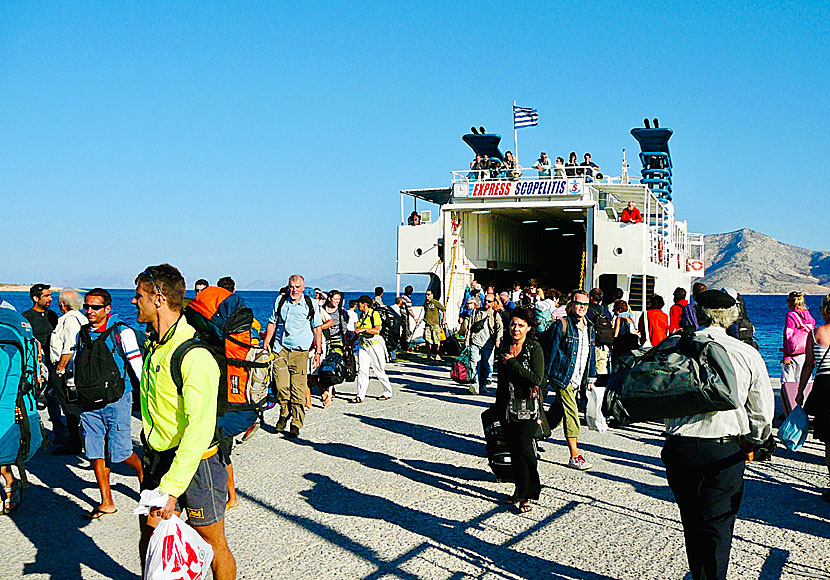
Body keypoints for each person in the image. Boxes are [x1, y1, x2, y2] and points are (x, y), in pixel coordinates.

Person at [662, 290, 774, 580]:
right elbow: (762, 413)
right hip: (724, 449)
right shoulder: (746, 353)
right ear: (731, 317)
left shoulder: (678, 347)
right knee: (718, 526)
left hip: (680, 446)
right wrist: (755, 440)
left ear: (699, 314)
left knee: (691, 520)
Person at [133, 264, 236, 579]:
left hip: (199, 464)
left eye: (139, 296)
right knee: (151, 538)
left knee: (212, 542)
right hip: (159, 458)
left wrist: (173, 489)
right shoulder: (156, 346)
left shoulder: (194, 356)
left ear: (159, 298)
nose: (134, 302)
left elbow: (199, 429)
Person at [75, 288, 144, 519]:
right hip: (88, 402)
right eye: (86, 306)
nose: (89, 311)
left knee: (121, 452)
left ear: (107, 309)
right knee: (95, 451)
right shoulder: (82, 333)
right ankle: (106, 502)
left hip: (117, 399)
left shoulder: (122, 332)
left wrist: (146, 396)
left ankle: (144, 474)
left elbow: (137, 366)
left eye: (95, 307)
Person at [494, 306, 545, 513]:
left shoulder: (534, 348)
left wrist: (513, 363)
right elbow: (501, 380)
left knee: (525, 449)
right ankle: (519, 489)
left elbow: (537, 379)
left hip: (527, 407)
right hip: (507, 406)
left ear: (528, 328)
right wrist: (497, 407)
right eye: (513, 324)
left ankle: (528, 493)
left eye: (520, 325)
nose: (515, 328)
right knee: (513, 450)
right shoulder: (506, 346)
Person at [263, 275, 323, 439]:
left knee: (298, 388)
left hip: (300, 351)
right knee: (281, 386)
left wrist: (318, 352)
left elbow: (317, 329)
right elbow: (272, 323)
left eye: (297, 287)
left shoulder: (310, 304)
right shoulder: (281, 301)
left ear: (303, 288)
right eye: (291, 286)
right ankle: (284, 412)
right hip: (280, 349)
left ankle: (296, 422)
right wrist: (265, 345)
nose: (294, 290)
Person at [545, 290, 597, 470]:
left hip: (578, 379)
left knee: (556, 414)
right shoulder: (562, 325)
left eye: (585, 304)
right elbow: (549, 352)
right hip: (562, 377)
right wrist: (544, 378)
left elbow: (591, 355)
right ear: (570, 305)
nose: (582, 307)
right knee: (571, 413)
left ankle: (534, 436)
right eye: (578, 303)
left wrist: (591, 376)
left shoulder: (590, 327)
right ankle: (574, 454)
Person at [796, 294, 830, 501]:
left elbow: (808, 364)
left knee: (829, 440)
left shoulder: (816, 333)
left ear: (824, 310)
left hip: (825, 387)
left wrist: (800, 391)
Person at [49, 289, 87, 455]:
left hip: (66, 370)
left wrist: (60, 368)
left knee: (69, 405)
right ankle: (78, 439)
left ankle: (75, 442)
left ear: (63, 303)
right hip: (74, 368)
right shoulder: (81, 317)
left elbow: (69, 346)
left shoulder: (70, 320)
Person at [349, 296, 393, 403]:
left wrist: (364, 329)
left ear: (364, 304)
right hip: (363, 345)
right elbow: (358, 331)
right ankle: (360, 395)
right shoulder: (362, 315)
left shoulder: (374, 314)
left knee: (378, 370)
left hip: (374, 345)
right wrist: (350, 343)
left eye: (359, 303)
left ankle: (387, 391)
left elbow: (377, 330)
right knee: (362, 370)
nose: (358, 305)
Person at [465, 293, 503, 395]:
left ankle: (482, 385)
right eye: (485, 300)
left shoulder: (495, 315)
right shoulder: (476, 312)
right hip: (475, 342)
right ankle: (475, 385)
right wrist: (467, 340)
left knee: (486, 366)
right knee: (474, 364)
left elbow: (500, 328)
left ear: (493, 303)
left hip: (488, 344)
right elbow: (470, 326)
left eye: (489, 301)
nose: (486, 303)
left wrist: (498, 340)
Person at [782, 291, 815, 383]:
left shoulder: (791, 315)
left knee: (788, 382)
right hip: (806, 353)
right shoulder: (809, 317)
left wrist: (787, 356)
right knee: (806, 381)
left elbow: (788, 337)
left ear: (790, 302)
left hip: (794, 353)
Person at [586, 288, 613, 375]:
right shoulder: (605, 311)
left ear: (591, 298)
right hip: (604, 343)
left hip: (591, 342)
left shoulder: (588, 310)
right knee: (602, 368)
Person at [423, 289, 445, 361]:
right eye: (426, 294)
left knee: (436, 340)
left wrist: (443, 320)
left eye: (428, 294)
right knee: (427, 340)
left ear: (432, 295)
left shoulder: (435, 302)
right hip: (427, 324)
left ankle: (437, 354)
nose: (427, 296)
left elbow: (443, 310)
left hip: (435, 324)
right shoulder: (425, 303)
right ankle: (428, 355)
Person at [400, 285, 417, 350]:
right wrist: (414, 317)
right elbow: (409, 310)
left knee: (403, 331)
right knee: (406, 331)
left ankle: (402, 345)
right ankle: (405, 346)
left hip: (401, 315)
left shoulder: (402, 297)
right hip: (405, 316)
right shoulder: (408, 300)